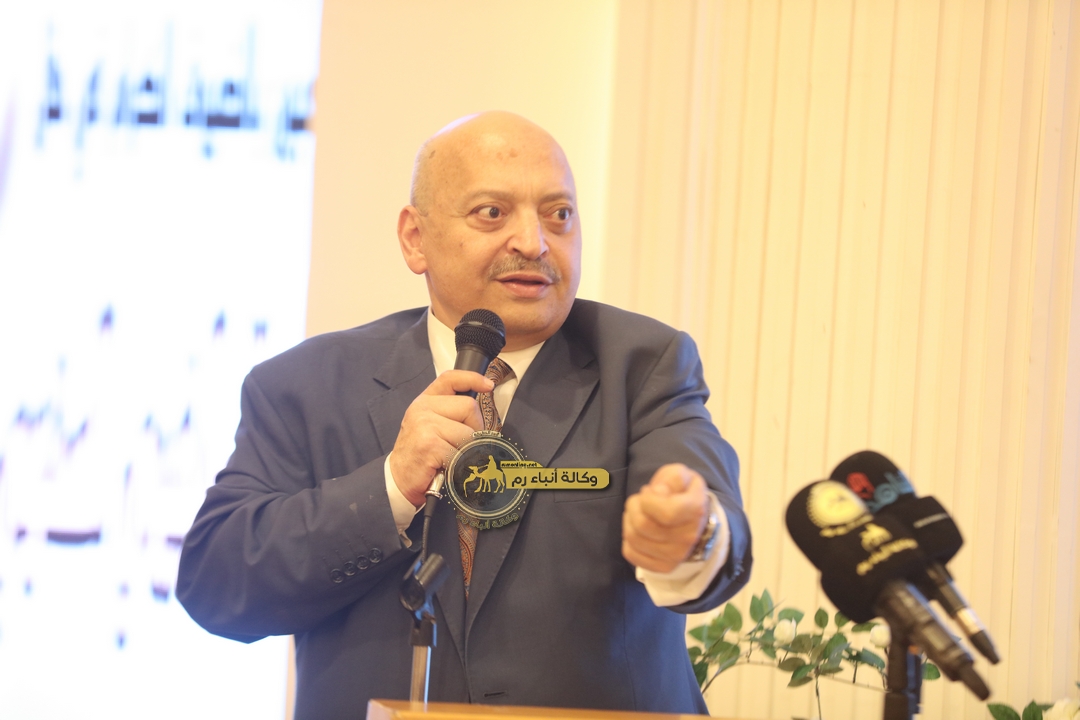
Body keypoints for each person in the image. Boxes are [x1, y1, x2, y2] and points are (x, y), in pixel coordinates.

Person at [177, 111, 751, 718]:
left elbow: (712, 524)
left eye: (558, 214)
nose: (534, 242)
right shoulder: (304, 386)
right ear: (415, 238)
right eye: (492, 213)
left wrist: (693, 535)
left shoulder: (643, 365)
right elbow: (217, 584)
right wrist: (391, 487)